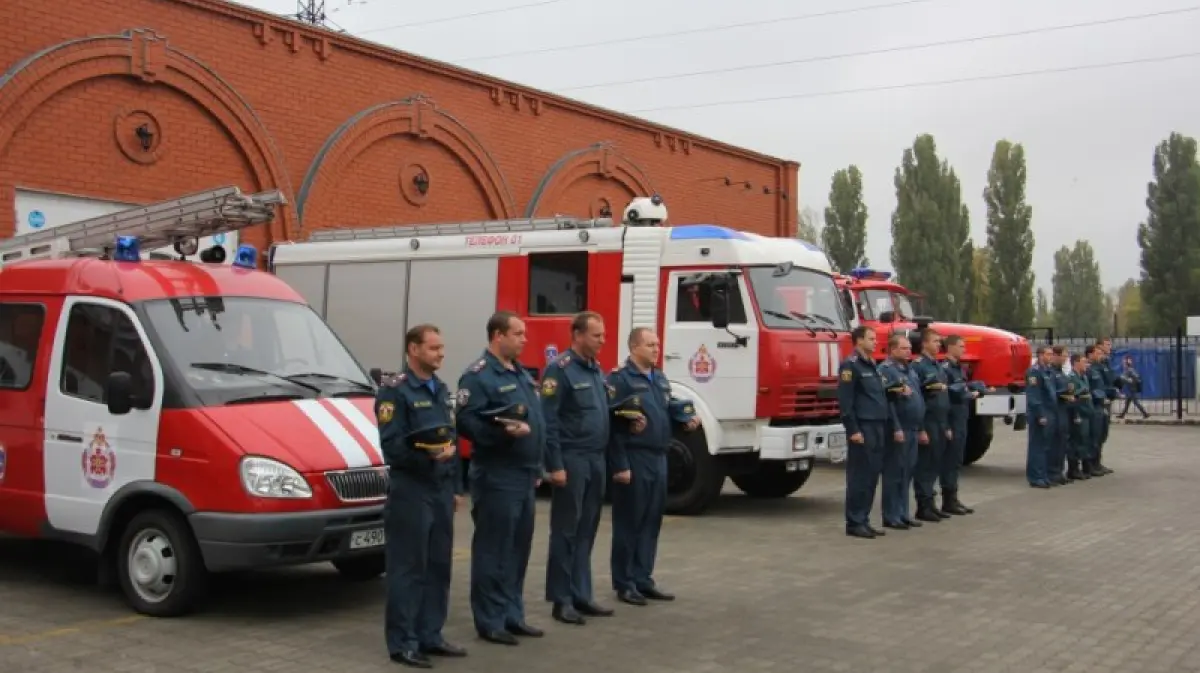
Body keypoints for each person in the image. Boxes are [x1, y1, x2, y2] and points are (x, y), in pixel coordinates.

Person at [375, 324, 467, 668]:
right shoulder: (394, 392)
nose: (441, 353)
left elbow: (451, 440)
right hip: (411, 489)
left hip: (441, 489)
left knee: (439, 566)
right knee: (408, 568)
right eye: (433, 348)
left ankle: (431, 634)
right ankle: (403, 642)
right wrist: (428, 457)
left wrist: (456, 486)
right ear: (413, 350)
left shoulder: (441, 389)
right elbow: (392, 447)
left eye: (442, 348)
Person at [455, 311, 546, 646]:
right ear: (497, 336)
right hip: (497, 475)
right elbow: (466, 424)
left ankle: (512, 614)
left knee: (517, 550)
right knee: (493, 550)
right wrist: (504, 434)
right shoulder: (479, 377)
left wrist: (537, 465)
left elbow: (536, 420)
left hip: (523, 475)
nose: (524, 339)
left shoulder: (520, 373)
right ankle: (490, 620)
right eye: (518, 333)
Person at [607, 327, 700, 604]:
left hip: (659, 457)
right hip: (635, 457)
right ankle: (624, 582)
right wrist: (620, 464)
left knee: (651, 520)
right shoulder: (619, 379)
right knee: (629, 521)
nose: (656, 349)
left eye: (657, 344)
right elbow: (613, 426)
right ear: (634, 347)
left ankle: (643, 578)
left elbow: (664, 410)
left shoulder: (659, 378)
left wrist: (686, 421)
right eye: (650, 345)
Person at [542, 311, 614, 624]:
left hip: (596, 458)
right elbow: (549, 420)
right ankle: (561, 600)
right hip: (572, 459)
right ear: (579, 335)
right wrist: (555, 465)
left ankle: (581, 594)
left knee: (587, 529)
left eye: (603, 334)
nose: (603, 340)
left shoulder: (595, 369)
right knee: (566, 531)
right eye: (597, 335)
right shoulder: (560, 371)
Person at [836, 326, 889, 539]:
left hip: (877, 426)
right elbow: (846, 402)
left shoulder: (872, 365)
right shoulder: (851, 366)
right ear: (858, 341)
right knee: (859, 476)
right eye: (871, 338)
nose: (875, 342)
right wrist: (853, 430)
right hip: (863, 427)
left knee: (872, 475)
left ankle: (864, 519)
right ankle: (854, 521)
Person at [877, 333, 924, 530]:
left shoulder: (910, 370)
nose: (908, 351)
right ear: (893, 349)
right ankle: (891, 515)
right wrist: (896, 427)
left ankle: (903, 513)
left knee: (907, 472)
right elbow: (888, 403)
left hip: (913, 428)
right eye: (904, 348)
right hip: (899, 429)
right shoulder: (886, 370)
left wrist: (921, 428)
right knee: (894, 473)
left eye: (909, 348)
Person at [941, 334, 990, 514]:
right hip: (952, 418)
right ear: (951, 347)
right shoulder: (945, 368)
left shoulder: (959, 368)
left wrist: (975, 387)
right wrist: (968, 392)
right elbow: (949, 392)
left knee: (957, 461)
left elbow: (963, 386)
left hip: (961, 418)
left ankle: (953, 498)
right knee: (950, 460)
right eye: (961, 346)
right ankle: (948, 500)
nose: (964, 350)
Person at [912, 329, 952, 521]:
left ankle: (931, 503)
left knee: (935, 463)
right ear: (924, 343)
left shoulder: (938, 366)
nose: (939, 344)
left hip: (940, 421)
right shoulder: (918, 366)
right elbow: (917, 397)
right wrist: (921, 428)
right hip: (928, 420)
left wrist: (946, 425)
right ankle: (923, 505)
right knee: (925, 465)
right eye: (935, 341)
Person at [1025, 346, 1056, 489]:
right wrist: (1040, 414)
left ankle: (1043, 475)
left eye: (1051, 354)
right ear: (1040, 355)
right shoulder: (1034, 372)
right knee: (1037, 445)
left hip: (1048, 411)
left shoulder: (1047, 371)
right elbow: (1034, 396)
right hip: (1039, 413)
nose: (1050, 357)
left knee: (1045, 446)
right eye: (1048, 354)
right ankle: (1035, 476)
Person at [1045, 345, 1072, 487]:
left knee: (1062, 443)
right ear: (1056, 356)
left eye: (1066, 356)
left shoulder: (1061, 373)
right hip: (1055, 411)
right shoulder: (1050, 373)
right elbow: (1051, 394)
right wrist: (1064, 391)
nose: (1065, 358)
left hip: (1063, 410)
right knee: (1054, 444)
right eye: (1064, 355)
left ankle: (1059, 471)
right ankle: (1051, 472)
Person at [1084, 345, 1111, 477]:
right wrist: (1099, 397)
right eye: (1097, 353)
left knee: (1101, 436)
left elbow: (1105, 385)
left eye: (1101, 353)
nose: (1100, 355)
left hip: (1102, 406)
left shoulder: (1099, 368)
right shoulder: (1088, 370)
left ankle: (1097, 462)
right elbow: (1087, 389)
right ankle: (1090, 465)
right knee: (1093, 437)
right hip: (1094, 406)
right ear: (1089, 355)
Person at [1066, 354, 1093, 482]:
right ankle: (1073, 469)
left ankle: (1084, 467)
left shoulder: (1084, 377)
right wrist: (1075, 415)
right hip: (1078, 414)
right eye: (1083, 362)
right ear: (1076, 363)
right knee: (1076, 442)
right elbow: (1071, 398)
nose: (1086, 365)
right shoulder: (1072, 378)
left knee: (1084, 441)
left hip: (1086, 413)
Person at [1093, 338, 1118, 473]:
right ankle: (1092, 464)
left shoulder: (1106, 363)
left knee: (1103, 434)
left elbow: (1111, 380)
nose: (1109, 347)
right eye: (1107, 345)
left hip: (1107, 401)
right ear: (1099, 347)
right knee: (1096, 434)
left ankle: (1098, 463)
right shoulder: (1095, 366)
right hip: (1099, 403)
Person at [1118, 355, 1149, 419]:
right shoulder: (1130, 369)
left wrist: (1129, 380)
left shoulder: (1129, 370)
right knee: (1127, 403)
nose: (1123, 364)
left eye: (1124, 363)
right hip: (1131, 389)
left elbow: (1125, 378)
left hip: (1132, 389)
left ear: (1126, 363)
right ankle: (1122, 415)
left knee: (1136, 402)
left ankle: (1145, 414)